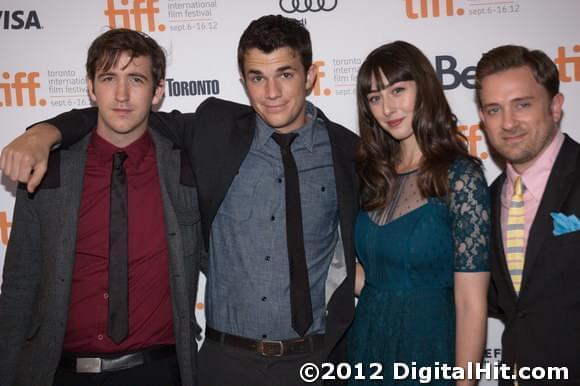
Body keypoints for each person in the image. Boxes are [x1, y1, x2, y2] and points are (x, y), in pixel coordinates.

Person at [0, 15, 359, 386]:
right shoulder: (213, 129)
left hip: (316, 359)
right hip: (225, 362)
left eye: (285, 74)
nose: (271, 92)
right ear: (243, 82)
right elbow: (123, 116)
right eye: (257, 77)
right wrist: (45, 132)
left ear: (310, 76)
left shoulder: (348, 151)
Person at [0, 29, 201, 386]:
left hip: (157, 371)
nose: (122, 95)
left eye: (136, 79)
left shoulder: (185, 168)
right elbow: (19, 285)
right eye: (109, 78)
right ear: (91, 88)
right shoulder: (50, 169)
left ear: (157, 91)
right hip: (61, 372)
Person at [348, 41, 490, 385]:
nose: (388, 107)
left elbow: (471, 302)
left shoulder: (460, 177)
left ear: (423, 88)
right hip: (367, 346)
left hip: (428, 348)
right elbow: (373, 278)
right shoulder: (374, 176)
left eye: (398, 90)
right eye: (375, 97)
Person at [476, 45, 580, 384]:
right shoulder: (487, 199)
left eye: (522, 104)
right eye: (494, 109)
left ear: (555, 106)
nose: (508, 123)